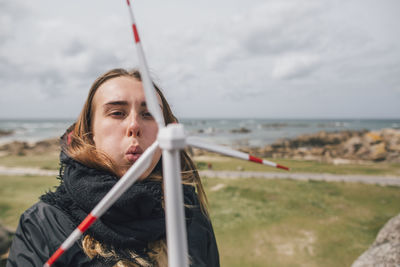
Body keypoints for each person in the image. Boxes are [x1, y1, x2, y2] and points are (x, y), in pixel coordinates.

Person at [7, 68, 220, 267]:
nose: (134, 125)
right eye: (117, 113)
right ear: (89, 132)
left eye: (149, 114)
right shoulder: (42, 225)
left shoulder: (188, 212)